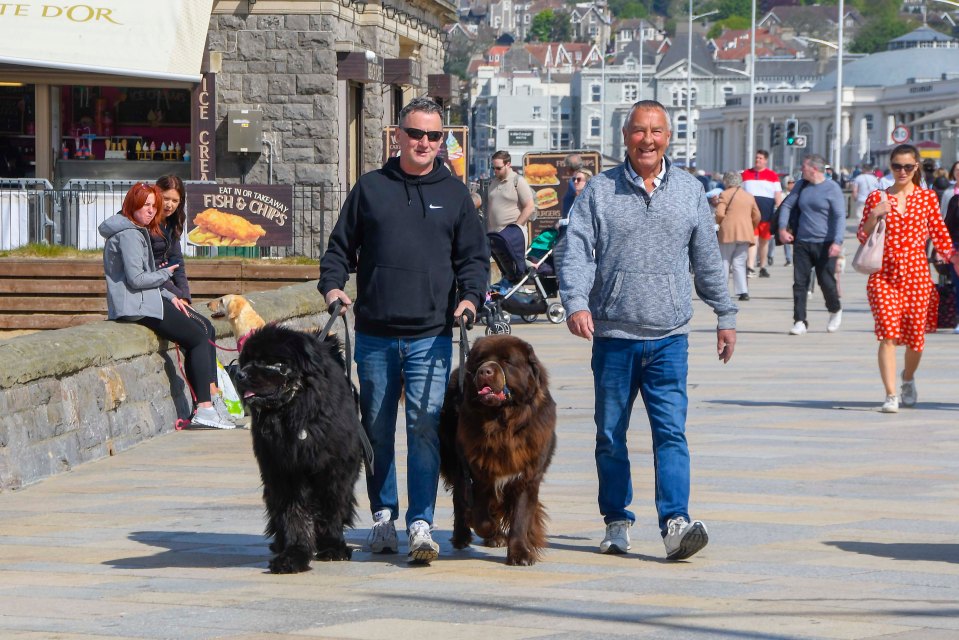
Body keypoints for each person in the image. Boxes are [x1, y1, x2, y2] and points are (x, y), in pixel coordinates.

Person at [556, 99, 737, 561]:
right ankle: (616, 521)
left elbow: (707, 259)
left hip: (669, 337)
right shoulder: (598, 190)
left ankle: (675, 521)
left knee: (670, 432)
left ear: (668, 137)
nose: (647, 140)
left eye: (656, 131)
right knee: (611, 434)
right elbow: (575, 250)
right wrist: (576, 302)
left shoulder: (689, 190)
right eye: (639, 131)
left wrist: (725, 313)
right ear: (625, 137)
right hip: (615, 338)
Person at [319, 97, 489, 564]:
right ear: (398, 135)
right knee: (375, 430)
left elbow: (474, 259)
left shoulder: (454, 194)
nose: (425, 143)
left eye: (435, 136)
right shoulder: (371, 188)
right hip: (374, 333)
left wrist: (470, 298)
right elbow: (339, 250)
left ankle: (420, 522)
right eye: (416, 134)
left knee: (424, 428)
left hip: (431, 335)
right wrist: (333, 288)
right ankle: (383, 515)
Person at [99, 183, 234, 430]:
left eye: (153, 206)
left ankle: (209, 404)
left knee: (202, 330)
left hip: (146, 299)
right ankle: (204, 408)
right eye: (145, 205)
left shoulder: (136, 230)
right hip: (136, 306)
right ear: (132, 206)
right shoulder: (129, 234)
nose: (151, 211)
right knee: (197, 337)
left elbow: (144, 277)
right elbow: (137, 279)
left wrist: (171, 296)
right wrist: (165, 274)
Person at [858, 145, 959, 412]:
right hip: (884, 275)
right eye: (896, 166)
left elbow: (939, 233)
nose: (901, 172)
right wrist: (873, 216)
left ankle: (908, 378)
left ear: (916, 167)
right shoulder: (877, 197)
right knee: (887, 334)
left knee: (916, 338)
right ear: (890, 167)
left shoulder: (926, 198)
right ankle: (891, 395)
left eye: (907, 167)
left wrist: (953, 257)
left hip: (916, 275)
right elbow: (862, 235)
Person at [151, 175, 235, 425]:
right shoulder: (148, 225)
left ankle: (212, 393)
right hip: (156, 293)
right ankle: (204, 405)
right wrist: (176, 295)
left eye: (175, 201)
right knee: (197, 335)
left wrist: (185, 296)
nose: (169, 205)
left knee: (207, 328)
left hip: (172, 293)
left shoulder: (173, 225)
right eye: (165, 198)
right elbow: (151, 270)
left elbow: (178, 265)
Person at [777, 154, 846, 336]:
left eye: (804, 167)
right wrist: (783, 229)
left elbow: (840, 216)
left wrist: (838, 242)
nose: (801, 169)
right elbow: (786, 206)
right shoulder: (801, 185)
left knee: (826, 282)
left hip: (826, 243)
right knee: (800, 283)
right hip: (802, 242)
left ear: (814, 169)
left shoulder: (832, 188)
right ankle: (800, 321)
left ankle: (835, 309)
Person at [715, 171, 761, 302]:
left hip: (728, 233)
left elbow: (719, 213)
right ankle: (743, 291)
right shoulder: (749, 196)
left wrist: (719, 223)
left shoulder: (725, 194)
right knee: (740, 263)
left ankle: (722, 291)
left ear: (727, 181)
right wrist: (750, 226)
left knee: (724, 261)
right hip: (745, 233)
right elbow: (757, 215)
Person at [741, 150, 783, 278]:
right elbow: (740, 192)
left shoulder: (772, 176)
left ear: (765, 160)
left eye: (760, 158)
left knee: (764, 241)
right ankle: (750, 266)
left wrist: (780, 212)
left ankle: (763, 266)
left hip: (767, 214)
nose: (757, 160)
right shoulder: (746, 174)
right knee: (752, 240)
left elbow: (778, 195)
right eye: (756, 158)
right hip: (750, 214)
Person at [486, 150, 536, 245]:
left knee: (512, 260)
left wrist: (515, 229)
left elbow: (529, 207)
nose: (495, 171)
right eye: (493, 168)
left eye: (498, 168)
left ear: (508, 164)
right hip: (495, 235)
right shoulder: (493, 182)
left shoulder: (518, 181)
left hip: (513, 237)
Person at [560, 152, 584, 217]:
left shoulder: (574, 180)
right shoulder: (587, 177)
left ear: (569, 167)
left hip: (573, 221)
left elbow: (580, 197)